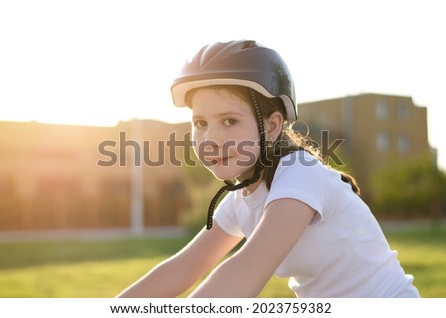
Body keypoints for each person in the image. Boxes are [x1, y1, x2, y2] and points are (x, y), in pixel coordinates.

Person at [117, 40, 420, 298]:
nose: (211, 138)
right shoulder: (241, 200)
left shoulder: (300, 175)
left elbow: (248, 269)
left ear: (272, 126)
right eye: (201, 123)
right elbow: (183, 267)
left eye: (230, 121)